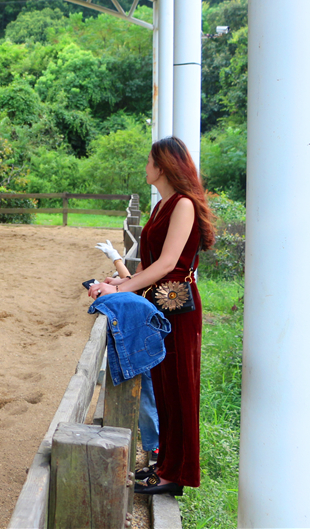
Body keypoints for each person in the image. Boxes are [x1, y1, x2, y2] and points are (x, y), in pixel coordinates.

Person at [88, 137, 215, 496]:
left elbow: (167, 264)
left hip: (178, 306)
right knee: (162, 386)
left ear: (163, 165)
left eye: (149, 161)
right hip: (159, 302)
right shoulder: (161, 206)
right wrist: (118, 279)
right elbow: (147, 264)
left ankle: (178, 473)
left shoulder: (184, 205)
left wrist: (120, 290)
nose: (145, 167)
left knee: (179, 387)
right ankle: (165, 464)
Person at [95, 239, 160, 471]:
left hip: (145, 332)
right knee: (146, 393)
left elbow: (136, 284)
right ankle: (153, 445)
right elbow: (134, 281)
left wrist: (117, 280)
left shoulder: (161, 270)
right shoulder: (153, 266)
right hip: (145, 330)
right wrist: (115, 261)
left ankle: (155, 446)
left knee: (147, 395)